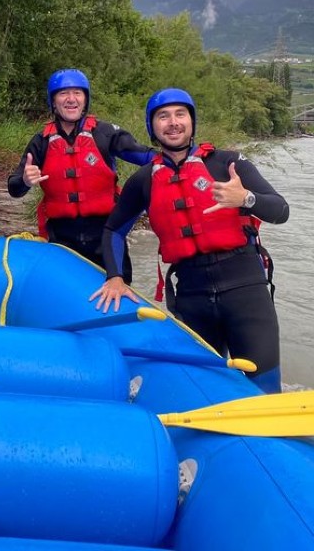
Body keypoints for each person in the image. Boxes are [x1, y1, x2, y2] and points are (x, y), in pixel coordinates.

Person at [91, 88, 289, 393]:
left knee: (263, 389)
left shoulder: (228, 163)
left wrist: (245, 198)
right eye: (163, 116)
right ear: (152, 127)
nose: (173, 122)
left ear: (192, 121)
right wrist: (115, 277)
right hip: (191, 295)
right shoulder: (144, 180)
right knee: (204, 391)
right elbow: (113, 230)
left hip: (246, 292)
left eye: (180, 114)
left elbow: (280, 210)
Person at [7, 69, 153, 280]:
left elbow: (148, 157)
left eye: (77, 93)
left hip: (106, 235)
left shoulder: (106, 133)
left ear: (85, 100)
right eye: (63, 93)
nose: (71, 99)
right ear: (53, 102)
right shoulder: (41, 142)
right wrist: (25, 180)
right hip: (62, 237)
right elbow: (14, 188)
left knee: (118, 294)